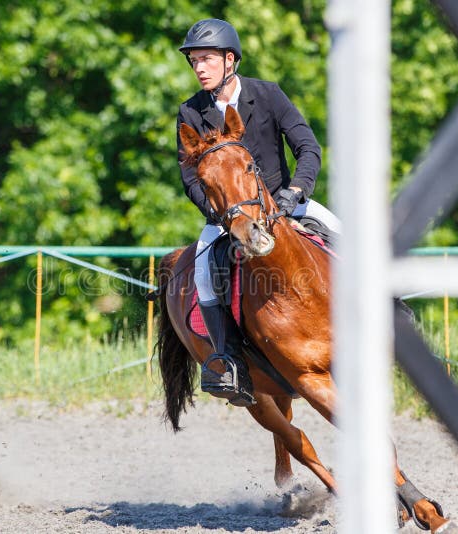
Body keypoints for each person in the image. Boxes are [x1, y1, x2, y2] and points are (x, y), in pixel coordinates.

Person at [176, 18, 341, 407]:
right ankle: (227, 362)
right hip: (229, 217)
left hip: (287, 203)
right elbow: (189, 177)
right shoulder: (190, 112)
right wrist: (223, 216)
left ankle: (395, 313)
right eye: (194, 61)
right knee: (202, 275)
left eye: (206, 59)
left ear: (229, 59)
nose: (199, 68)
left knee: (348, 236)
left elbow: (308, 148)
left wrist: (295, 191)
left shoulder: (267, 95)